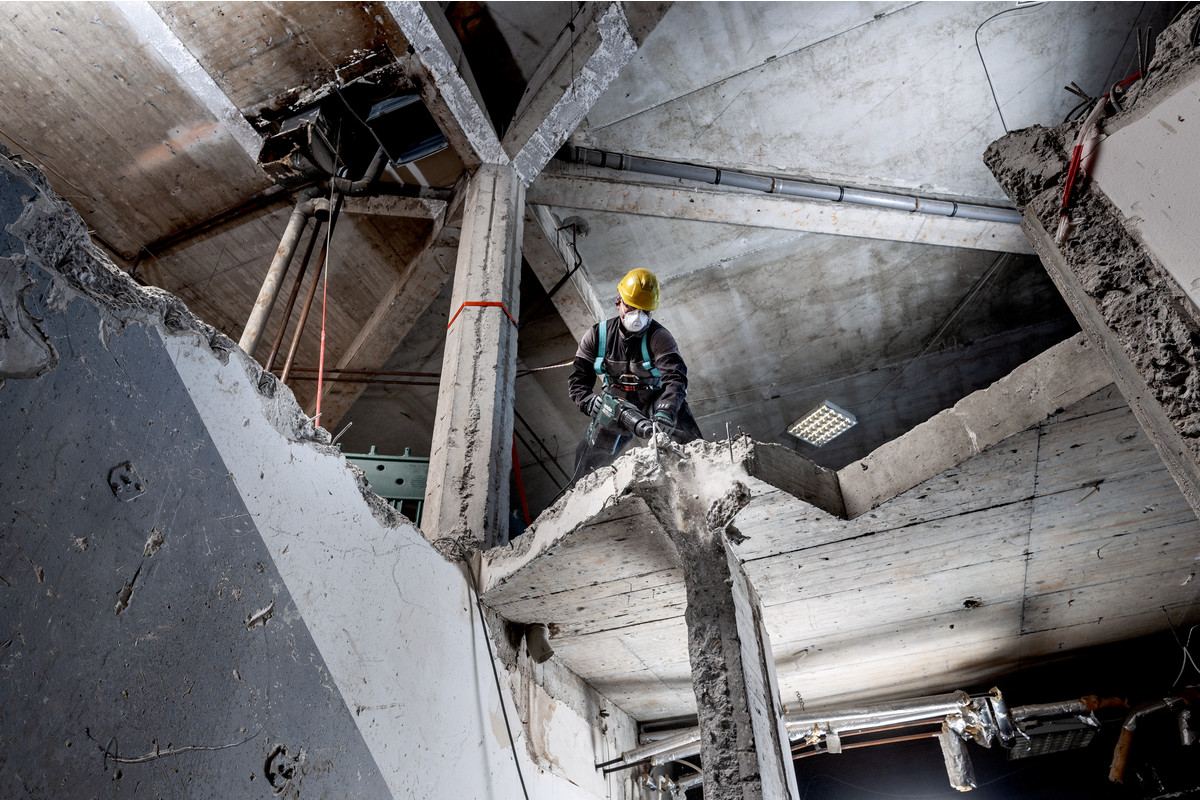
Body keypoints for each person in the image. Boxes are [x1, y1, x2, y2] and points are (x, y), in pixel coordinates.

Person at [567, 268, 702, 481]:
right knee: (590, 458)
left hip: (654, 399)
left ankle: (701, 473)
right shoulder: (596, 336)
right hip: (616, 403)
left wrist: (666, 411)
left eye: (645, 311)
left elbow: (675, 378)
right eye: (631, 307)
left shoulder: (660, 337)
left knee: (687, 440)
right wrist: (588, 401)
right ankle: (582, 491)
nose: (637, 316)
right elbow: (578, 381)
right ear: (619, 302)